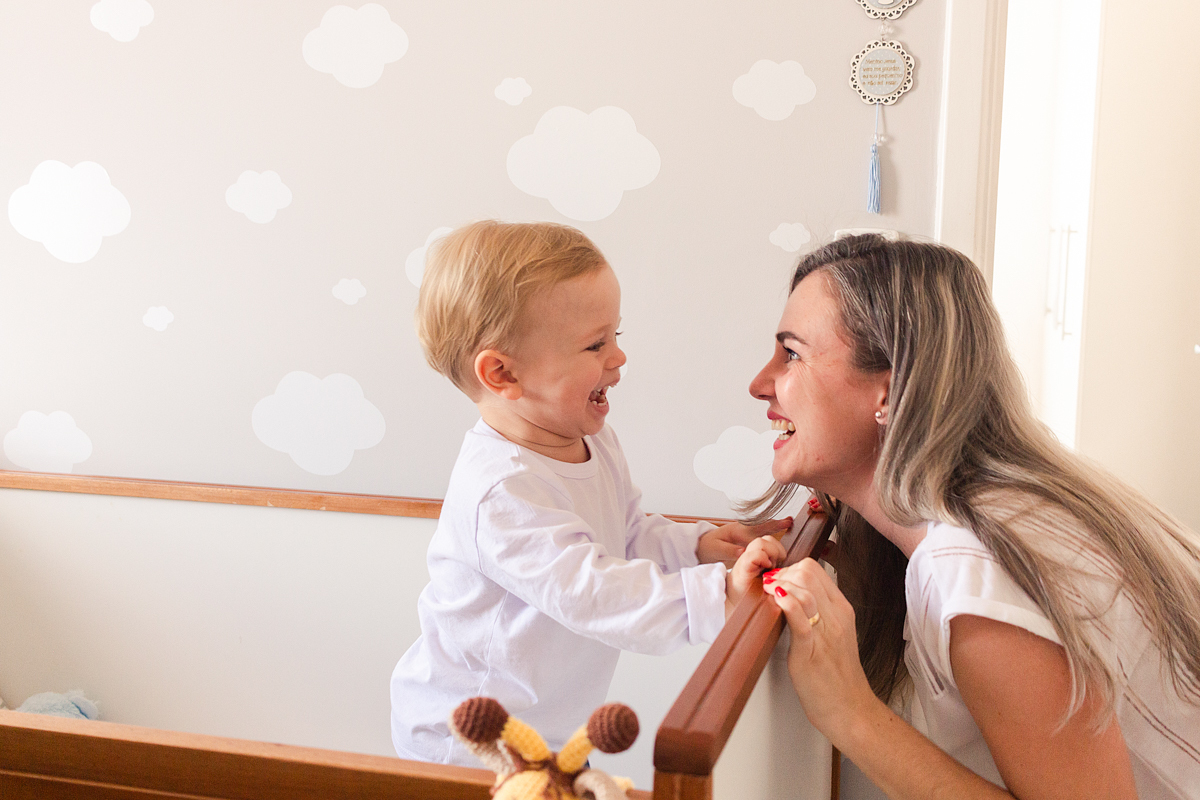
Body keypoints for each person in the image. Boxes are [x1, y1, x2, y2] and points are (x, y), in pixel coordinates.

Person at [736, 234, 1200, 799]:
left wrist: (851, 715)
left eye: (792, 353)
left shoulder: (975, 570)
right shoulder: (987, 517)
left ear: (889, 387)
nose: (760, 384)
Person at [390, 220, 788, 766]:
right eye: (595, 344)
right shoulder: (502, 489)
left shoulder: (592, 444)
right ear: (503, 372)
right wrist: (718, 595)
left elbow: (624, 533)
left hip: (547, 732)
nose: (618, 358)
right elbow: (587, 589)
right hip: (467, 738)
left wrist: (696, 547)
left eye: (616, 337)